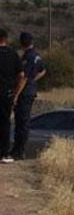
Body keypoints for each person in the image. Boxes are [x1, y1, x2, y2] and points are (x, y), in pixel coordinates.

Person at [11, 32, 46, 160]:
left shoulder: (28, 57)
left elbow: (23, 78)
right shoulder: (36, 56)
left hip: (24, 93)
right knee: (23, 122)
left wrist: (16, 95)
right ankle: (18, 150)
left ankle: (18, 151)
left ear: (21, 43)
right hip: (31, 91)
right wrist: (33, 80)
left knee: (21, 122)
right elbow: (43, 70)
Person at [0, 29, 26, 163]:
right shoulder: (13, 54)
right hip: (7, 94)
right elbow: (22, 76)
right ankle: (4, 153)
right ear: (6, 39)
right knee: (5, 123)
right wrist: (15, 93)